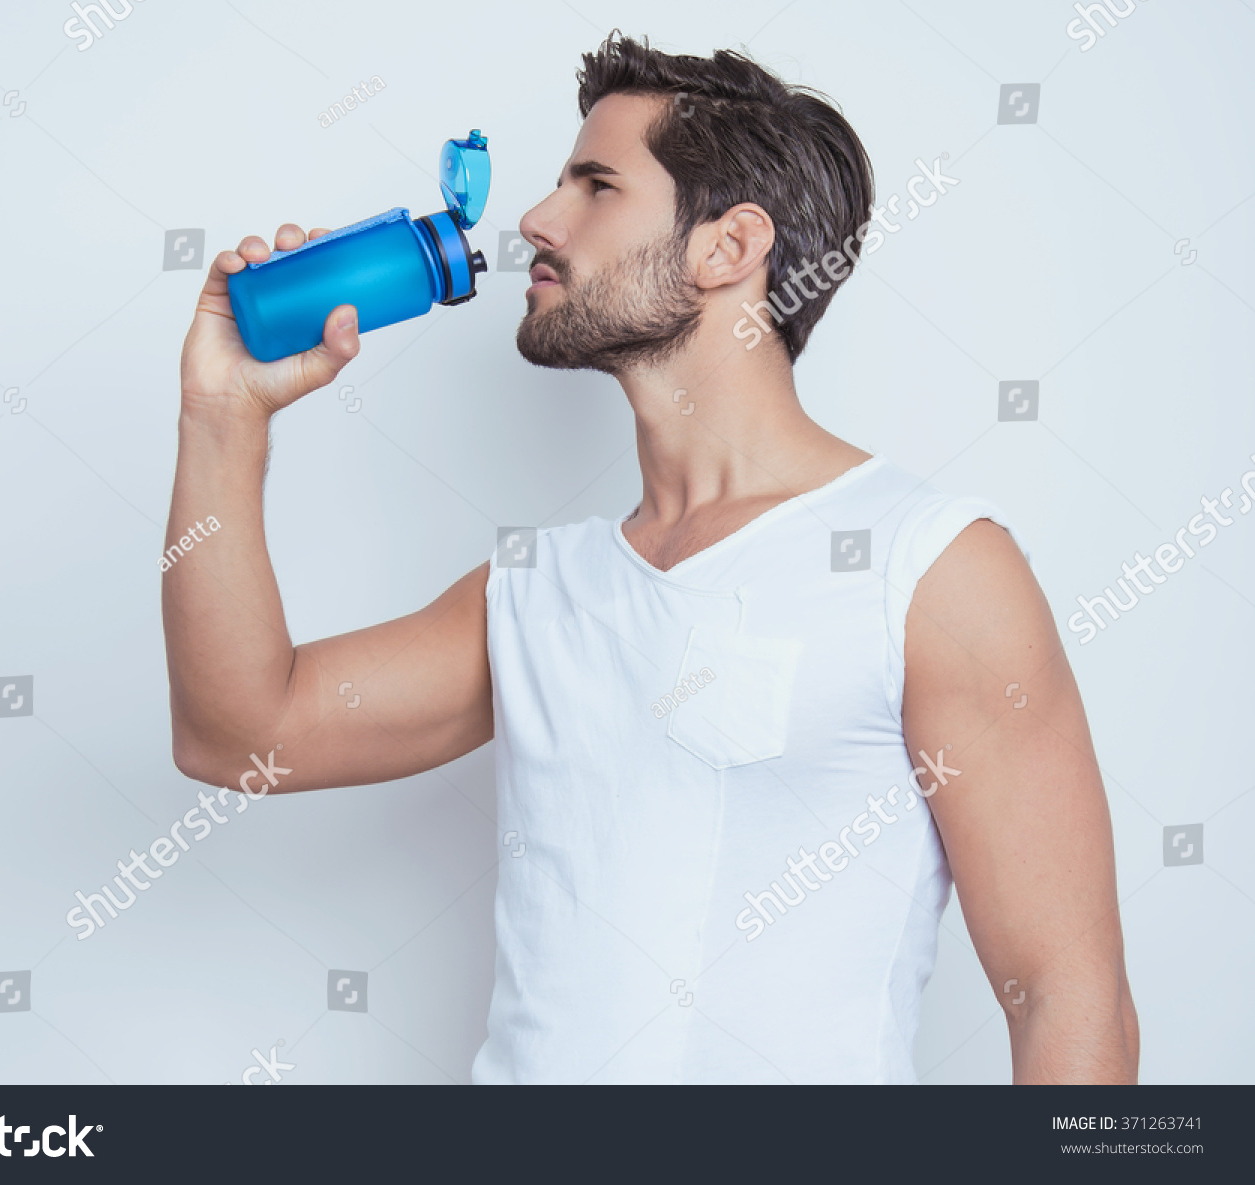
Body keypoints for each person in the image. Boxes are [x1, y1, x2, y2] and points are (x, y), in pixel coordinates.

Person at [163, 34, 1138, 1084]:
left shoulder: (931, 568)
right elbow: (239, 735)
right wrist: (223, 419)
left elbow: (1067, 999)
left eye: (595, 185)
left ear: (729, 247)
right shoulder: (536, 594)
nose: (538, 219)